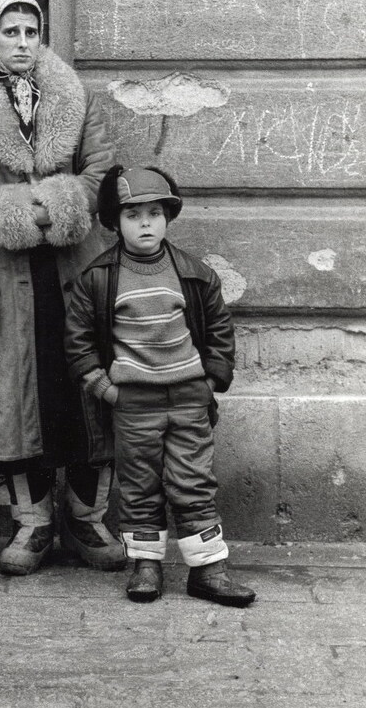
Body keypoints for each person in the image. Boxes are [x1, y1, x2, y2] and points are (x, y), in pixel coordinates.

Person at [0, 0, 125, 576]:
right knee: (19, 402)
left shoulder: (75, 96)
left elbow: (101, 174)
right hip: (11, 278)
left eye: (30, 31)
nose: (21, 43)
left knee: (89, 392)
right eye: (10, 32)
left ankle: (88, 519)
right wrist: (24, 213)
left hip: (81, 268)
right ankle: (34, 523)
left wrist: (58, 204)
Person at [65, 165, 256, 607]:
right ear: (115, 223)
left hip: (188, 397)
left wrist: (210, 381)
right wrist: (104, 387)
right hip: (132, 401)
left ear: (169, 216)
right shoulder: (99, 278)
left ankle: (208, 569)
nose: (145, 223)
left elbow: (221, 330)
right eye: (133, 215)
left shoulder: (193, 274)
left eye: (154, 212)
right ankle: (146, 565)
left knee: (193, 482)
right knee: (139, 485)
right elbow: (78, 341)